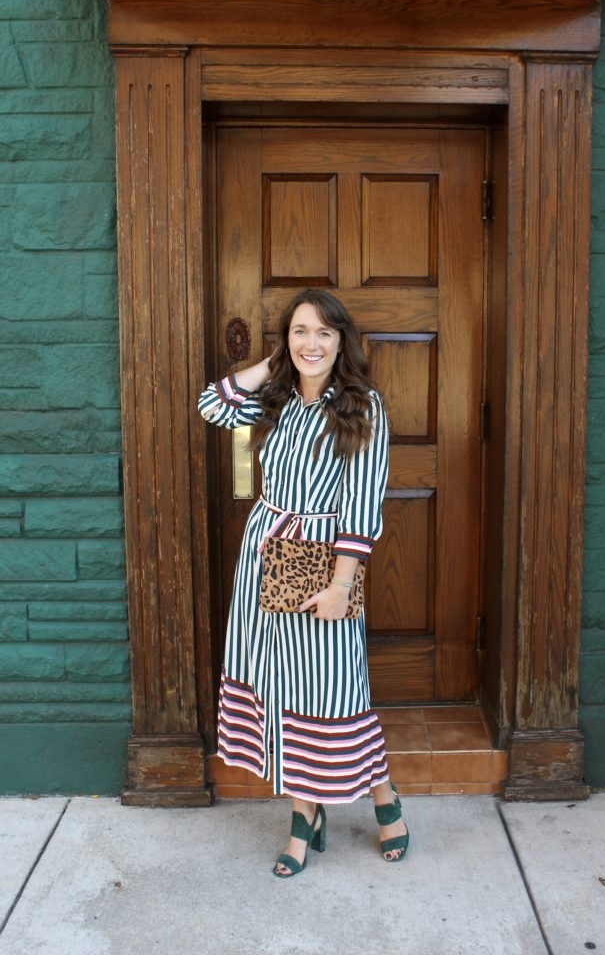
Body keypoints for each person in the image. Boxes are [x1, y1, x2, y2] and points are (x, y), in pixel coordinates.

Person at [198, 288, 409, 877]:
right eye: (299, 332)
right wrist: (274, 363)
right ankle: (306, 813)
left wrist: (343, 584)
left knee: (336, 694)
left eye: (323, 333)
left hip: (323, 565)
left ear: (342, 341)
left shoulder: (362, 406)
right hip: (266, 558)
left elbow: (363, 506)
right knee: (287, 692)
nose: (310, 344)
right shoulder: (277, 399)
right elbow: (211, 405)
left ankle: (380, 796)